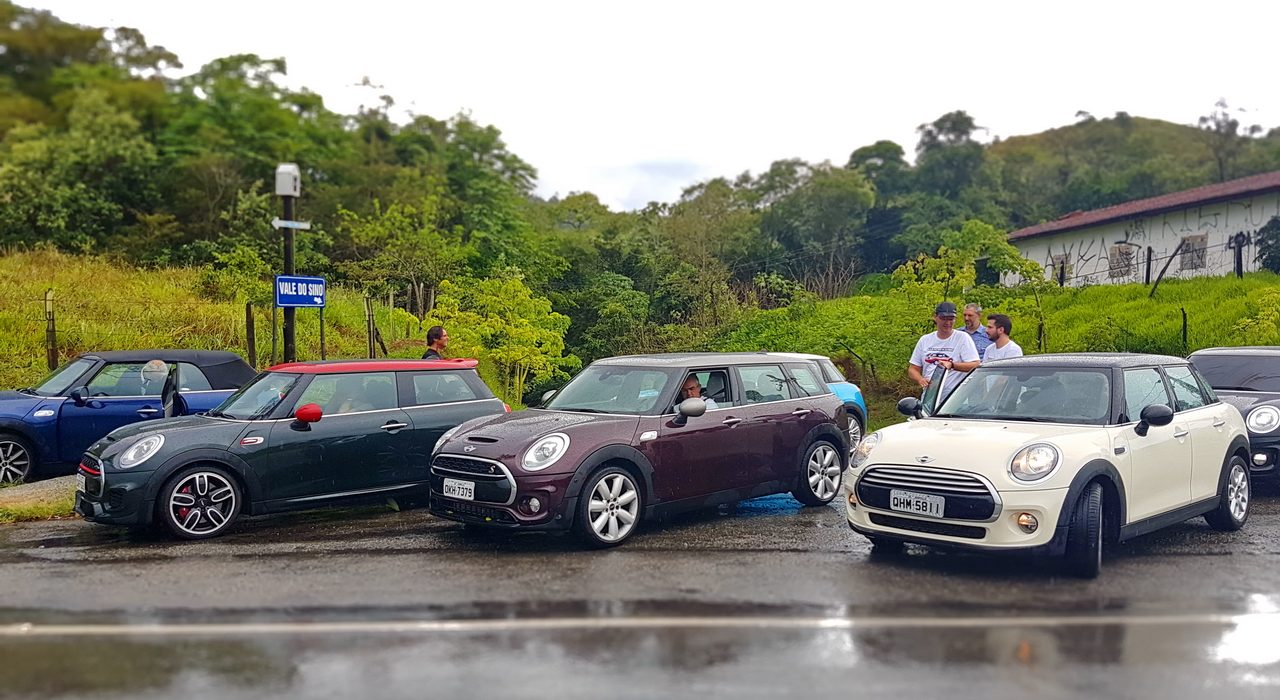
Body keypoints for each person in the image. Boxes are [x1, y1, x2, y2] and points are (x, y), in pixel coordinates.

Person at [908, 301, 981, 399]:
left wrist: (952, 365)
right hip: (930, 398)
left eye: (951, 319)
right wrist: (920, 379)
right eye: (943, 318)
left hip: (954, 399)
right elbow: (913, 369)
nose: (947, 323)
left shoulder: (962, 338)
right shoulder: (925, 340)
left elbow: (975, 365)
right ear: (935, 317)